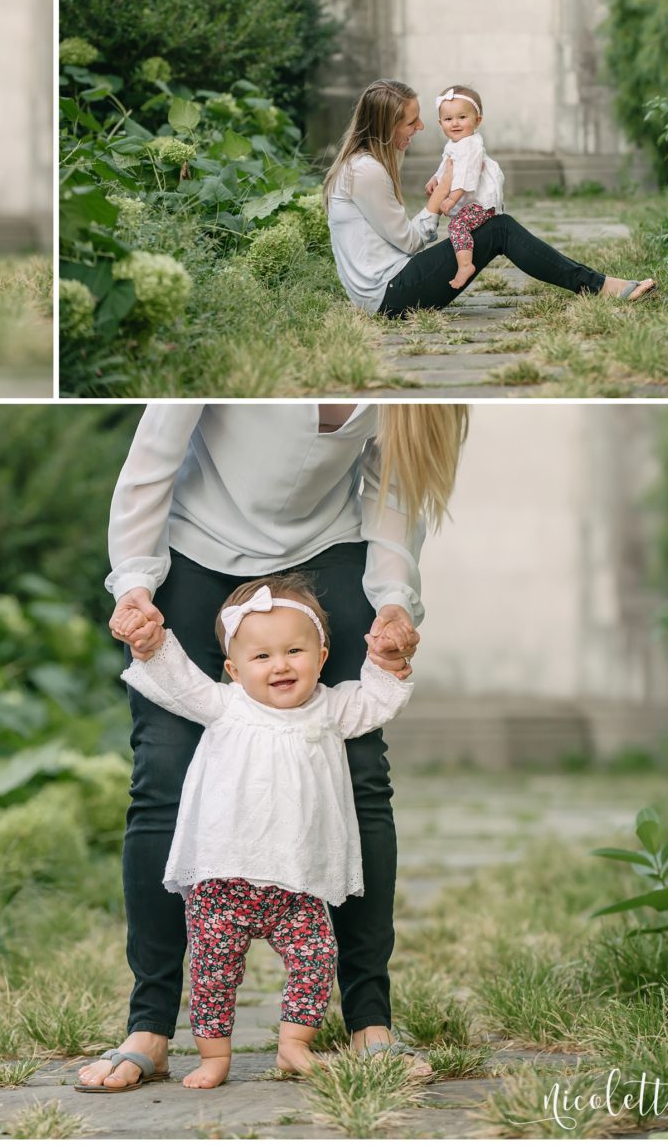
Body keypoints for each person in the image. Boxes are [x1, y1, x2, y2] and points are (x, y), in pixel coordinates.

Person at [75, 402, 467, 1095]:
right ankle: (150, 1028)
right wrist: (135, 583)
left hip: (327, 556)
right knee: (162, 774)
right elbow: (152, 460)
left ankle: (370, 1023)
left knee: (361, 773)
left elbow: (392, 491)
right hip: (195, 551)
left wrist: (392, 601)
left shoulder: (408, 390)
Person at [110, 574, 413, 1088]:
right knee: (214, 973)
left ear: (321, 656)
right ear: (234, 670)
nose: (280, 665)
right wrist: (151, 646)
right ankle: (214, 1057)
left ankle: (294, 1045)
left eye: (295, 651)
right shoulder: (224, 706)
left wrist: (387, 661)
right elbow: (178, 680)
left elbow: (378, 701)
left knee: (316, 960)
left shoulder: (332, 708)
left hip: (298, 884)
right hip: (223, 879)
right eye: (262, 656)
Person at [325, 81, 656, 317]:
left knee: (497, 226)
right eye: (412, 122)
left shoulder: (360, 166)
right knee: (500, 229)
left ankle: (598, 284)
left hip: (383, 291)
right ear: (387, 127)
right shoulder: (365, 172)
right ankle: (600, 286)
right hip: (389, 295)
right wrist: (439, 197)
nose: (421, 127)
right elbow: (409, 242)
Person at [428, 84, 505, 291]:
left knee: (457, 226)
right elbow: (447, 166)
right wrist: (434, 179)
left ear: (477, 120)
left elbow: (465, 175)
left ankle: (465, 265)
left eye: (462, 117)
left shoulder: (471, 145)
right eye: (448, 119)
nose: (455, 123)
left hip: (482, 202)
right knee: (458, 225)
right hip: (471, 202)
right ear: (440, 123)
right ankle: (465, 254)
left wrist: (451, 199)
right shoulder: (454, 144)